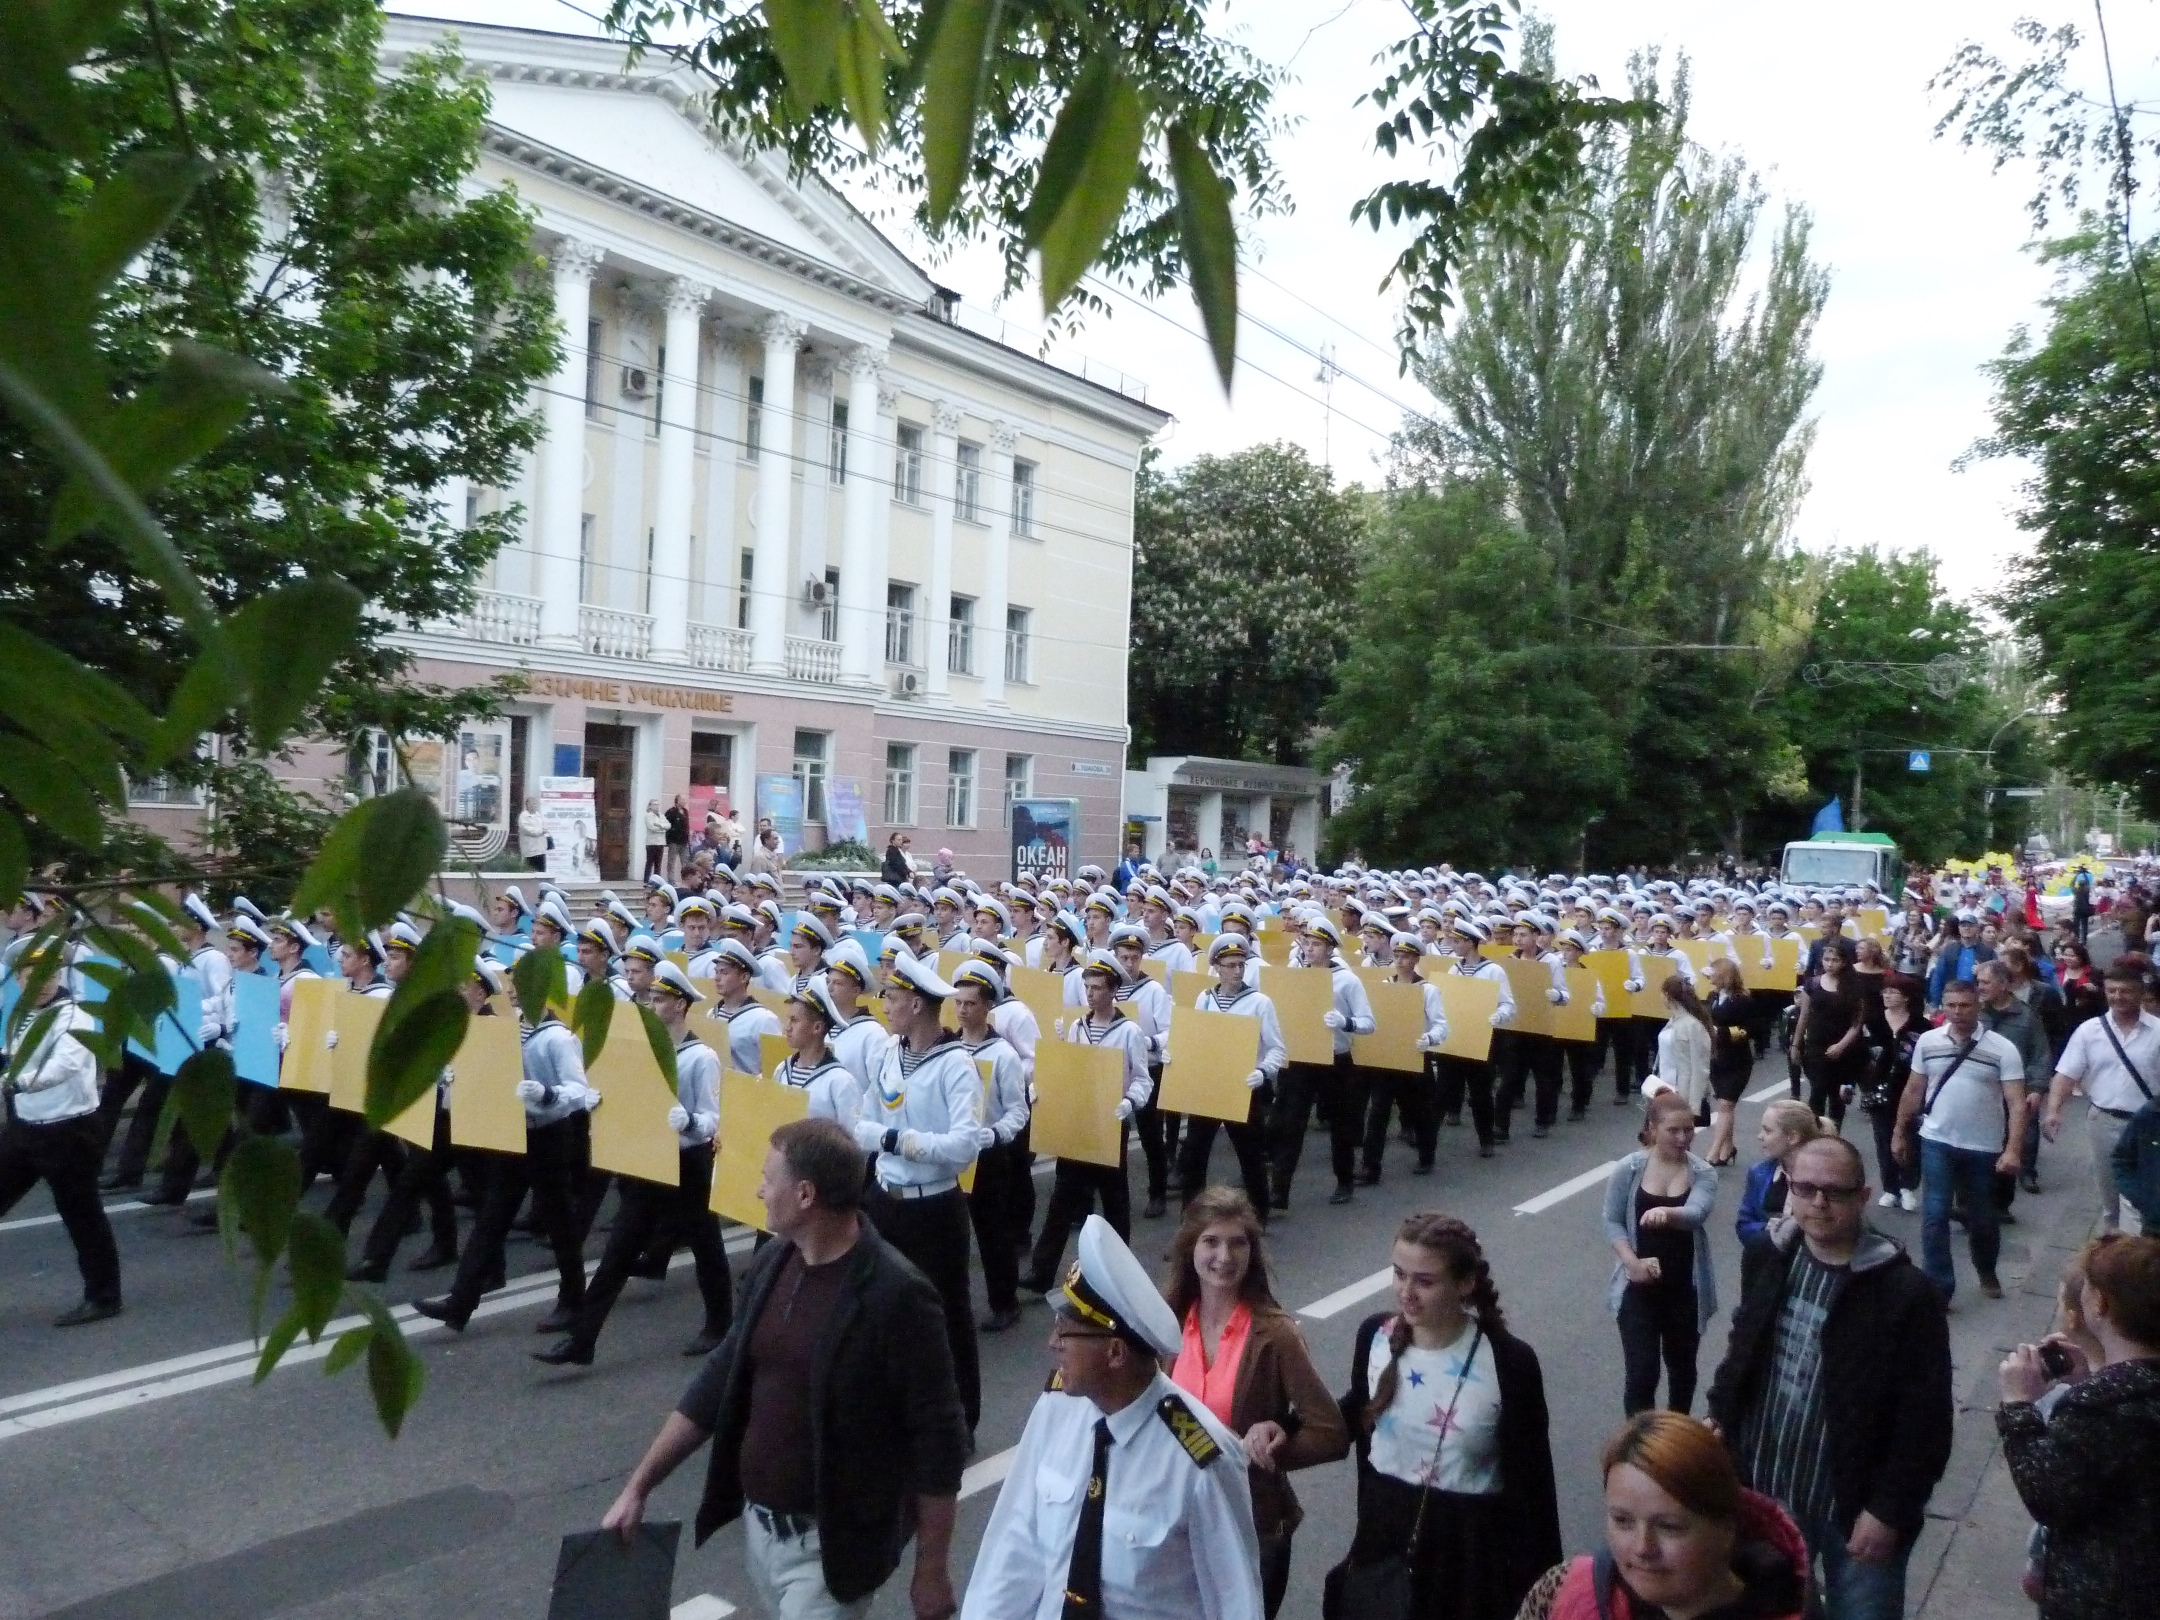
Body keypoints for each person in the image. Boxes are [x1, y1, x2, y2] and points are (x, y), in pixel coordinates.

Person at [602, 1117, 967, 1620]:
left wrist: (932, 1568)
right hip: (762, 1538)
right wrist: (638, 1486)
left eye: (768, 1179)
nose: (758, 1190)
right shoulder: (775, 1262)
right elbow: (718, 1381)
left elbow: (938, 1438)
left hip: (830, 1552)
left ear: (804, 1195)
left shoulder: (897, 1294)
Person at [961, 1214, 1264, 1620]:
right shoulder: (1057, 1409)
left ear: (1116, 1353)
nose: (1053, 1343)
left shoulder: (1200, 1459)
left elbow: (1235, 1603)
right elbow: (1015, 1547)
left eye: (1067, 1332)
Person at [1708, 1134, 1952, 1620]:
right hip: (1767, 1489)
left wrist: (1889, 1510)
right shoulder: (1769, 1256)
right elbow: (1745, 1343)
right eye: (1806, 1188)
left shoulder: (1905, 1292)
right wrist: (1720, 1415)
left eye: (1835, 1191)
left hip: (1854, 1508)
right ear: (1789, 1191)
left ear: (1862, 1197)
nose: (1819, 1202)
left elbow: (1925, 1419)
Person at [1336, 1213, 1561, 1620]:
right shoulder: (1375, 1335)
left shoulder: (1510, 1362)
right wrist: (1285, 1432)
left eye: (1425, 1281)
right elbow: (1357, 1407)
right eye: (1399, 1275)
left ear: (1464, 1284)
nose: (1407, 1293)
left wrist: (1542, 1593)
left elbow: (1534, 1488)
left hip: (1469, 1555)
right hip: (1383, 1540)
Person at [1162, 1187, 1350, 1617]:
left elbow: (1331, 1433)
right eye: (1211, 1241)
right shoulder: (1167, 1325)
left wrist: (1272, 1444)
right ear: (1189, 1246)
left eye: (1237, 1243)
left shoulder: (1274, 1334)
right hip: (1174, 1522)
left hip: (1250, 1526)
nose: (1224, 1256)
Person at [535, 962, 733, 1366]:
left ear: (679, 1004)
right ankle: (583, 1339)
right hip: (649, 1157)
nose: (651, 1004)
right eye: (650, 998)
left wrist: (690, 1122)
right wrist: (600, 1101)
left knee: (706, 1246)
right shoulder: (642, 1050)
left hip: (688, 1161)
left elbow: (713, 1118)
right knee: (618, 1251)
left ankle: (720, 1325)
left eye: (659, 999)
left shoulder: (701, 1057)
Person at [1995, 1231, 2160, 1620]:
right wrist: (2088, 1380)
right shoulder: (2122, 1395)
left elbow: (2049, 1494)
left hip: (2104, 1596)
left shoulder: (2102, 1406)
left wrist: (2018, 1406)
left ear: (2099, 1305)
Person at [856, 952, 985, 1435]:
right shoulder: (890, 1053)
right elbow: (863, 1118)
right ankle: (893, 1410)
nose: (884, 1003)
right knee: (878, 1307)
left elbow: (963, 1146)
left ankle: (960, 1420)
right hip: (885, 1199)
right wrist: (886, 1140)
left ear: (915, 1002)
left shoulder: (956, 1065)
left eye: (890, 995)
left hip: (934, 1207)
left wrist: (895, 1141)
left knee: (947, 1315)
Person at [1512, 1412, 1807, 1620]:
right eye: (1622, 1520)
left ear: (1727, 1529)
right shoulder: (1565, 1589)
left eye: (1669, 1526)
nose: (1643, 1548)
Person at [0, 949, 123, 1325]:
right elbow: (12, 1053)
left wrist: (12, 1082)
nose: (38, 982)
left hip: (69, 1131)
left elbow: (65, 1065)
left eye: (47, 973)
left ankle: (104, 1297)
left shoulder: (75, 1015)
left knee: (82, 1215)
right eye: (29, 975)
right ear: (19, 979)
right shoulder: (23, 1014)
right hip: (25, 1127)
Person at [1022, 948, 1152, 1287]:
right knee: (1062, 1199)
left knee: (1115, 1200)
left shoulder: (1129, 1032)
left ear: (1112, 991)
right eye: (1088, 987)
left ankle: (1120, 1271)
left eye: (1097, 988)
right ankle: (1042, 1269)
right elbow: (1068, 1070)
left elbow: (1142, 1078)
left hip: (1109, 1123)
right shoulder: (1077, 1027)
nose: (1090, 994)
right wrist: (1042, 1087)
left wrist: (1129, 1102)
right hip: (1078, 1121)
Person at [1891, 979, 2027, 1302]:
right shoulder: (1928, 1042)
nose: (1957, 1012)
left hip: (1983, 1147)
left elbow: (2016, 1103)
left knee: (1982, 1216)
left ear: (1978, 1006)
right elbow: (1913, 1089)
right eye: (1951, 1005)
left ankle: (1986, 1268)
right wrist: (1899, 1131)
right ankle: (1939, 1286)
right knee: (1935, 1213)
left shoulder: (2002, 1049)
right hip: (1936, 1139)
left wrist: (2013, 1149)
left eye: (1964, 1005)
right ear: (1943, 1006)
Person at [1605, 1091, 1719, 1416]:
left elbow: (1697, 1212)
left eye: (1689, 1129)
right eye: (1674, 1130)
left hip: (1685, 1290)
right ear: (1653, 1129)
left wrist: (1669, 1214)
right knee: (1642, 1375)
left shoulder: (1703, 1172)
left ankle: (1676, 1444)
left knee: (1682, 1373)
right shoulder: (1629, 1168)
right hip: (1639, 1290)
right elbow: (1612, 1220)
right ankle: (1638, 1448)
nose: (1684, 1138)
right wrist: (1631, 1262)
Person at [2043, 962, 2160, 1234]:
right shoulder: (2089, 1031)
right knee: (2111, 1195)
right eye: (2112, 991)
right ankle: (2115, 1253)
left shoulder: (2157, 1031)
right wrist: (2053, 1111)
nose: (2118, 997)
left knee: (2148, 1192)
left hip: (2148, 1125)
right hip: (2104, 1121)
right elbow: (2065, 1074)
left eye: (2125, 991)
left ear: (2140, 993)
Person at [1858, 975, 1923, 1214]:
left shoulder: (1920, 1025)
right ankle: (1890, 1187)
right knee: (1883, 1139)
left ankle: (1908, 1185)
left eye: (1893, 992)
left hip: (1910, 1087)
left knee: (1911, 1137)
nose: (1887, 996)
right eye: (1885, 992)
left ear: (1906, 997)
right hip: (1878, 1089)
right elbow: (1861, 1055)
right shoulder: (1873, 1023)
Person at [1791, 939, 1865, 1127]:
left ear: (1844, 962)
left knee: (1837, 1096)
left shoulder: (1854, 986)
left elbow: (1857, 1023)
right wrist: (1796, 1044)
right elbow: (1804, 1016)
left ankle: (1834, 1134)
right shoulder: (1813, 984)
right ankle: (1814, 1133)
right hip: (1816, 1044)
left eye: (1835, 960)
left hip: (1843, 1046)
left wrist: (1841, 1046)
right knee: (1817, 1091)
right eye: (1826, 959)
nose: (1830, 964)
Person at [1704, 958, 1753, 1166]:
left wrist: (1721, 1032)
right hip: (1717, 1058)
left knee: (1725, 1104)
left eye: (1713, 973)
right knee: (1726, 1105)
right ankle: (1728, 1147)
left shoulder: (1743, 1000)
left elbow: (1747, 1030)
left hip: (1737, 1059)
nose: (1710, 977)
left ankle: (1714, 1151)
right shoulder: (1713, 996)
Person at [1652, 974, 1715, 1129]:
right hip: (1663, 1089)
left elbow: (1699, 1068)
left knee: (1676, 1140)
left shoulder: (1692, 1025)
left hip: (1681, 1092)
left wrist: (1693, 1106)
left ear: (1667, 995)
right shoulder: (1673, 1020)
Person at [664, 794, 690, 882]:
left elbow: (687, 825)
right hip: (674, 840)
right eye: (683, 800)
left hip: (684, 840)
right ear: (677, 801)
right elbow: (666, 826)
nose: (684, 802)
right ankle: (671, 880)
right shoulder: (671, 812)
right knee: (671, 861)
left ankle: (686, 879)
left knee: (685, 862)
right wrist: (668, 840)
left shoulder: (685, 811)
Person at [518, 794, 547, 872]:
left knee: (541, 871)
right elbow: (526, 829)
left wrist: (543, 830)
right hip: (530, 849)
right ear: (527, 805)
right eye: (532, 804)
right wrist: (540, 831)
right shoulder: (524, 816)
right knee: (530, 870)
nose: (534, 805)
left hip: (540, 848)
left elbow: (544, 826)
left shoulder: (539, 815)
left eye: (535, 803)